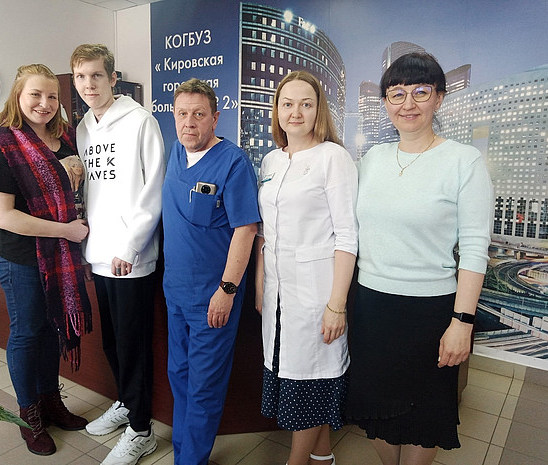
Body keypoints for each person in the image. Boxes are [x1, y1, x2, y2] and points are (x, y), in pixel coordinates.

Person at [345, 52, 494, 465]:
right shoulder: (371, 160)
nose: (407, 103)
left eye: (420, 91)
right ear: (386, 103)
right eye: (397, 94)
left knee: (424, 411)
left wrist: (462, 322)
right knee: (374, 405)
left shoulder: (463, 161)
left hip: (431, 310)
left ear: (439, 98)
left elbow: (475, 248)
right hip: (372, 307)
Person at [0, 64, 91, 456]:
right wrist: (65, 231)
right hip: (22, 259)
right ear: (18, 96)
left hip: (60, 257)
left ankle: (50, 402)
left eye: (52, 96)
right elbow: (2, 216)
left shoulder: (66, 139)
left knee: (51, 330)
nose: (44, 103)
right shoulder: (3, 144)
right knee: (27, 333)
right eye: (35, 95)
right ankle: (29, 415)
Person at [254, 71, 358, 465]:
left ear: (319, 111)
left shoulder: (333, 158)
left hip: (317, 294)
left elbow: (347, 236)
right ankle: (322, 457)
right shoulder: (271, 160)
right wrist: (261, 285)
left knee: (310, 382)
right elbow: (264, 232)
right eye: (287, 104)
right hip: (278, 292)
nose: (295, 112)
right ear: (277, 110)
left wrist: (336, 304)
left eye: (306, 104)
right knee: (294, 374)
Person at [70, 44, 165, 465]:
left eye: (96, 75)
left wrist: (131, 245)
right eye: (80, 76)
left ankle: (142, 430)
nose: (88, 84)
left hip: (132, 256)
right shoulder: (83, 128)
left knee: (133, 346)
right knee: (112, 341)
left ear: (112, 78)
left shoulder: (141, 121)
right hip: (99, 253)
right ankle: (127, 403)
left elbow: (154, 188)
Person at [162, 78, 260, 465]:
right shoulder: (175, 152)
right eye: (182, 114)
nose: (189, 122)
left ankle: (191, 460)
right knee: (179, 375)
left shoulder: (233, 162)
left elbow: (246, 230)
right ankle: (183, 455)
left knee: (203, 387)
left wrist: (227, 290)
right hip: (175, 292)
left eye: (199, 114)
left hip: (212, 297)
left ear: (215, 118)